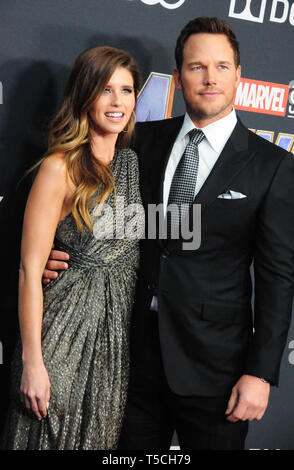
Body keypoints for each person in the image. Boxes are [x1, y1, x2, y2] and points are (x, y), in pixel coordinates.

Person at [42, 18, 294, 450]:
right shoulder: (141, 141)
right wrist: (56, 253)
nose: (210, 78)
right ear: (179, 77)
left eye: (221, 66)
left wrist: (261, 373)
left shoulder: (271, 165)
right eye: (197, 67)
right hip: (130, 358)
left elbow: (277, 276)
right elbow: (96, 212)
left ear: (238, 74)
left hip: (217, 372)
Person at [2, 45, 143, 450]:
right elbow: (30, 270)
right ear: (84, 95)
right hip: (60, 339)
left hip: (112, 348)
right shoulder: (59, 167)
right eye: (105, 89)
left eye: (127, 90)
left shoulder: (132, 163)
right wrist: (33, 362)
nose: (117, 102)